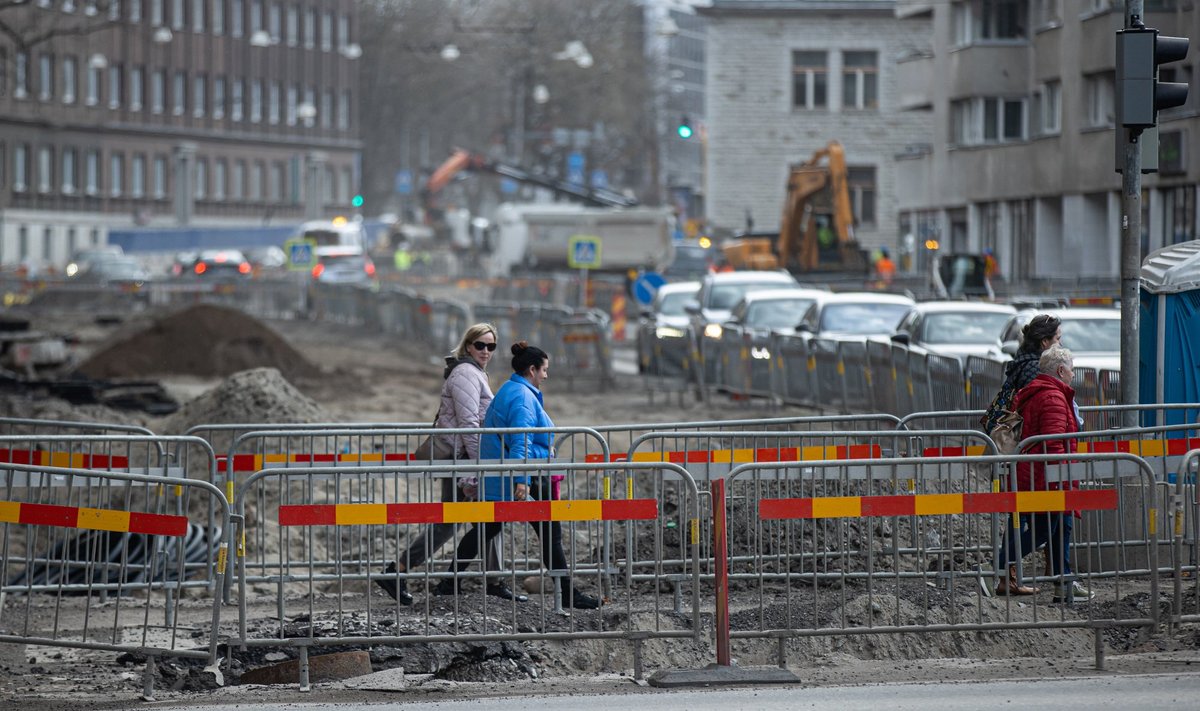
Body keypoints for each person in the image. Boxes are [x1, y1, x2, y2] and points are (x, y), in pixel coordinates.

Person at [437, 342, 603, 610]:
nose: (546, 375)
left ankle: (448, 583)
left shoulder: (515, 390)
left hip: (509, 474)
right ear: (532, 369)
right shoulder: (522, 397)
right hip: (525, 476)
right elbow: (520, 441)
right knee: (550, 533)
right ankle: (568, 594)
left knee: (486, 528)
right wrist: (522, 482)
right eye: (544, 370)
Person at [376, 323, 528, 605]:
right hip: (464, 457)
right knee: (462, 520)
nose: (486, 351)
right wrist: (480, 463)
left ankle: (482, 580)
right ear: (468, 346)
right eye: (480, 345)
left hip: (467, 456)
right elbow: (469, 424)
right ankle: (401, 572)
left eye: (491, 346)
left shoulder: (473, 373)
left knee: (485, 516)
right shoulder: (465, 374)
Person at [993, 346, 1094, 603]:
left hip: (1039, 474)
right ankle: (998, 565)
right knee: (1042, 531)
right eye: (1071, 369)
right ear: (1061, 370)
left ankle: (1064, 584)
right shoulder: (1053, 397)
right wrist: (1063, 479)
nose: (1073, 374)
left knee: (1059, 528)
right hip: (1048, 478)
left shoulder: (1042, 391)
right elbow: (1054, 442)